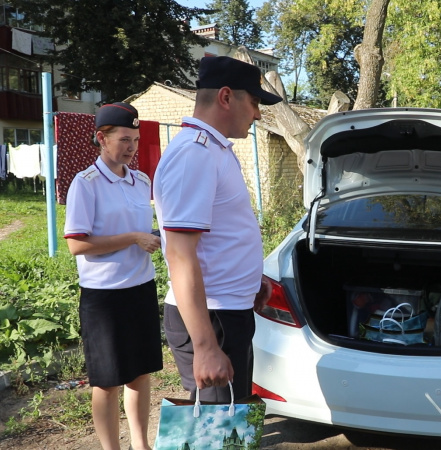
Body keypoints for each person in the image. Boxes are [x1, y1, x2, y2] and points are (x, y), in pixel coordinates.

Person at [153, 56, 281, 402]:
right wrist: (206, 346)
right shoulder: (195, 155)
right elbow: (180, 254)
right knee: (217, 433)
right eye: (254, 102)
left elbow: (221, 236)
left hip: (227, 310)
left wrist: (252, 280)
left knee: (231, 424)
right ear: (226, 97)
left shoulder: (214, 150)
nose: (257, 114)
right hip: (211, 318)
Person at [63, 102, 162, 450]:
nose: (131, 147)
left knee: (140, 373)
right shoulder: (85, 184)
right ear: (101, 139)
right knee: (106, 381)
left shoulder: (141, 181)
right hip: (104, 296)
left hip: (141, 287)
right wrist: (134, 238)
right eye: (124, 139)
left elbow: (142, 228)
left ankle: (141, 444)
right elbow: (77, 244)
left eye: (135, 139)